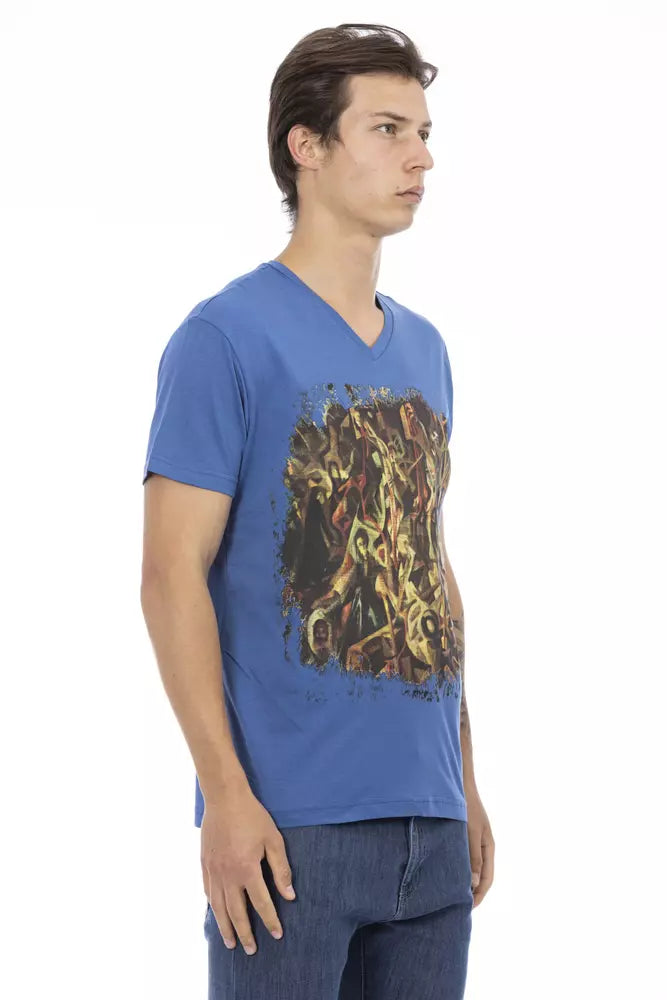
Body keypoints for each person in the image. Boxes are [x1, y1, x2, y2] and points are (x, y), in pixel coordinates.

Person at [140, 21, 494, 1000]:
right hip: (290, 827)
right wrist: (224, 795)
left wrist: (462, 780)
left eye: (424, 133)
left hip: (429, 830)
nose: (420, 158)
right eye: (387, 129)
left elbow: (425, 569)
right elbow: (170, 574)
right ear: (307, 145)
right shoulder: (225, 337)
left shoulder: (425, 351)